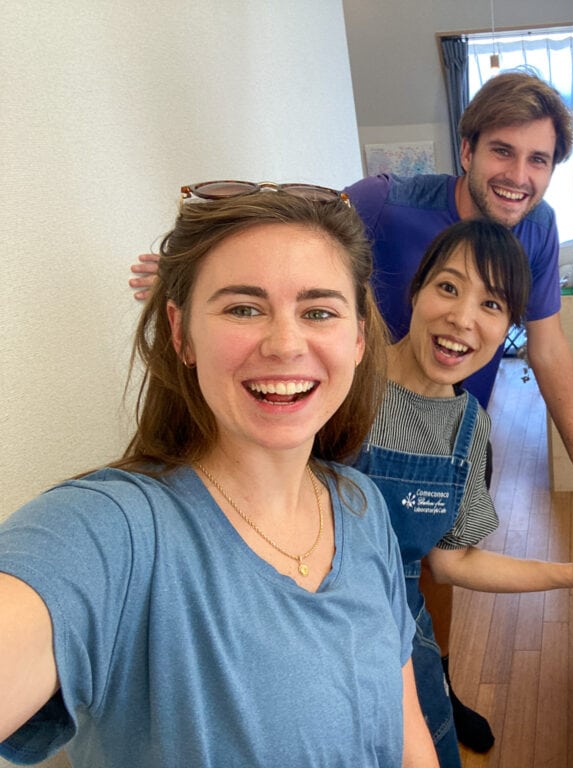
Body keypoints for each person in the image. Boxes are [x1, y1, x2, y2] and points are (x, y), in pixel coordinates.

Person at [127, 70, 573, 750]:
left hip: (445, 425)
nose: (518, 175)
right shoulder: (386, 205)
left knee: (419, 574)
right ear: (466, 150)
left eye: (539, 160)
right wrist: (193, 273)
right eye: (503, 150)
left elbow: (549, 346)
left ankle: (436, 678)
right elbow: (291, 231)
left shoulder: (537, 237)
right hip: (356, 407)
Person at [0, 183, 439, 768]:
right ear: (181, 334)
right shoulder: (115, 531)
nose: (285, 344)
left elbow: (406, 730)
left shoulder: (359, 504)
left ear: (358, 338)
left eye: (318, 311)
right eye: (243, 308)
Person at [356, 218, 573, 766]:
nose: (462, 319)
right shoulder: (342, 380)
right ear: (416, 290)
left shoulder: (468, 428)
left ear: (511, 324)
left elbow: (454, 560)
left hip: (399, 638)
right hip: (307, 636)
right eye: (448, 287)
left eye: (492, 305)